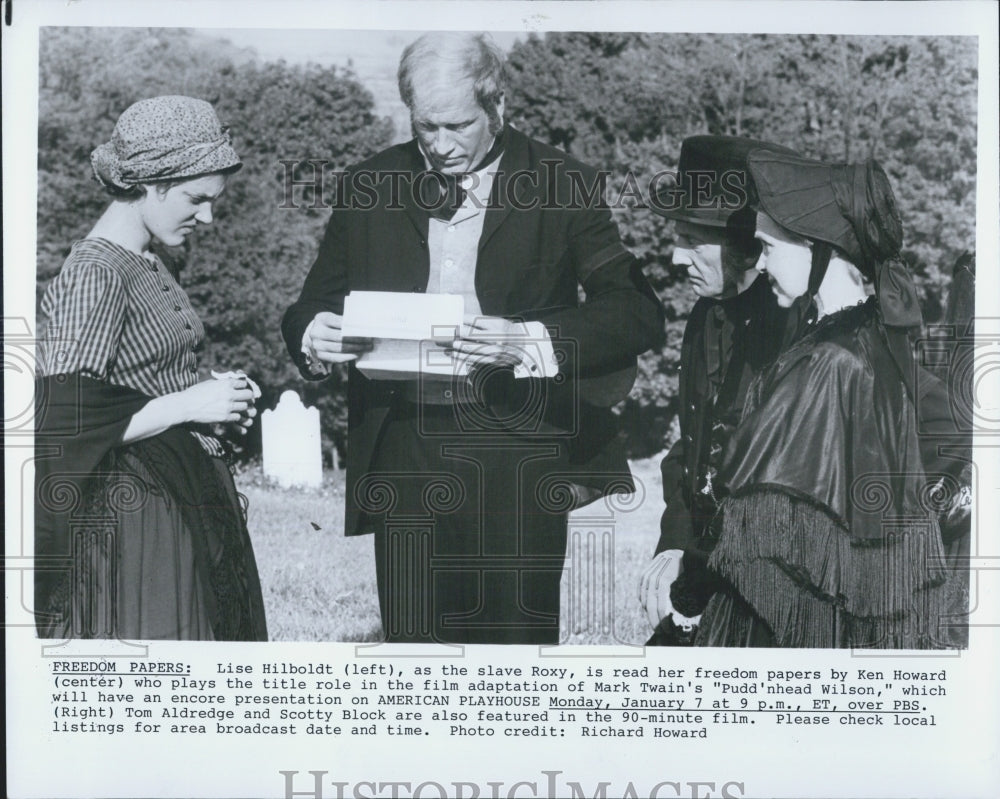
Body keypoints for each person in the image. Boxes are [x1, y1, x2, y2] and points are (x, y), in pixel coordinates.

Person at [281, 32, 663, 644]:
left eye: (458, 125)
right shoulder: (368, 184)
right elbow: (311, 304)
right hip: (404, 446)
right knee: (413, 649)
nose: (439, 145)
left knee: (514, 652)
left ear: (498, 108)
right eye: (425, 126)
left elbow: (636, 313)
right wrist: (311, 333)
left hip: (518, 447)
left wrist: (528, 339)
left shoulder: (565, 182)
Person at [694, 149, 949, 648]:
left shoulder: (828, 360)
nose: (759, 262)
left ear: (820, 250)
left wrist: (691, 594)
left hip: (791, 625)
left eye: (768, 246)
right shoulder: (868, 336)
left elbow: (766, 530)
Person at [35, 95, 267, 641]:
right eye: (195, 198)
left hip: (175, 498)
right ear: (149, 184)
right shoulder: (94, 270)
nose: (207, 216)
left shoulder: (144, 260)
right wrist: (189, 404)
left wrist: (208, 396)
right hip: (133, 524)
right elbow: (60, 425)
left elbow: (133, 383)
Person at [637, 135, 795, 644]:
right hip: (707, 559)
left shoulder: (801, 327)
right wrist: (674, 546)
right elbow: (694, 445)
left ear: (744, 244)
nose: (677, 258)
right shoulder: (706, 314)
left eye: (692, 239)